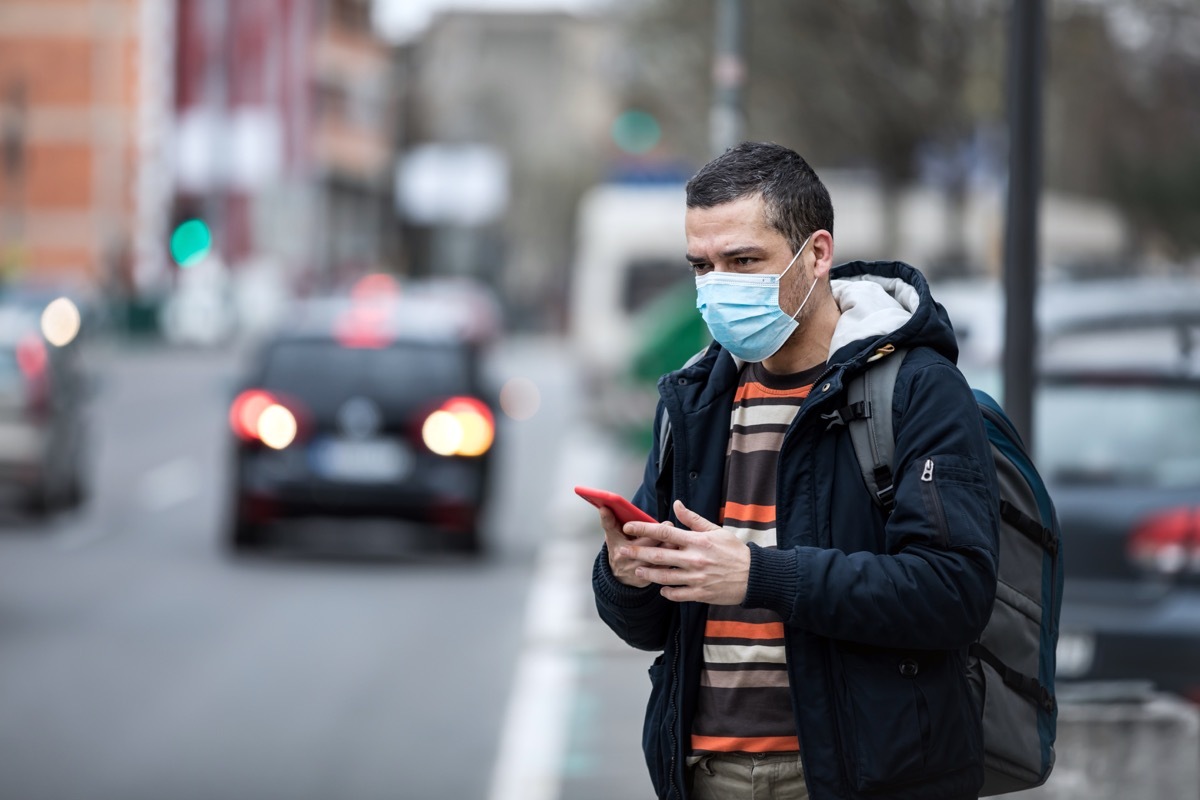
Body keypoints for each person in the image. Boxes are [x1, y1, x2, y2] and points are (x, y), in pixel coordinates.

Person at [590, 141, 1000, 800]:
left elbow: (954, 594)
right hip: (705, 775)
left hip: (858, 776)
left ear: (817, 255)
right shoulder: (695, 402)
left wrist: (756, 573)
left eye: (745, 261)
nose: (718, 286)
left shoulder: (918, 388)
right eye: (703, 266)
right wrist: (626, 576)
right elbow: (648, 628)